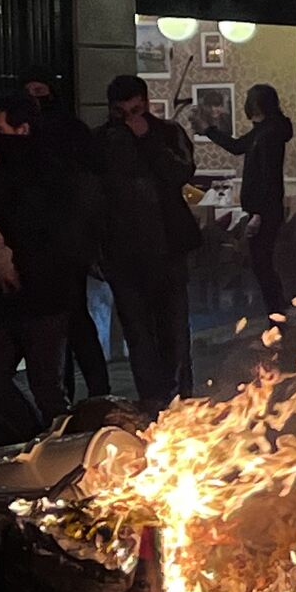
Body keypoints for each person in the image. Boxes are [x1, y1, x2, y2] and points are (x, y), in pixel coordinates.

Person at [93, 76, 200, 411]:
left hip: (167, 247)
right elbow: (94, 197)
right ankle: (153, 403)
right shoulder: (101, 142)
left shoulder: (166, 133)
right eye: (120, 112)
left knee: (174, 334)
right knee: (138, 337)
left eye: (135, 110)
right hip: (122, 252)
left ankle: (180, 401)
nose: (128, 117)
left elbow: (181, 172)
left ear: (146, 104)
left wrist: (149, 139)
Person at [0, 96, 77, 439]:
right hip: (3, 294)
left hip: (43, 291)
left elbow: (26, 218)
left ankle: (65, 451)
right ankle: (31, 437)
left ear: (22, 130)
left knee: (46, 384)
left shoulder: (44, 168)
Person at [22, 66, 111, 399]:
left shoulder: (62, 134)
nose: (35, 101)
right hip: (55, 240)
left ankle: (85, 391)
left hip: (64, 241)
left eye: (39, 92)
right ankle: (82, 391)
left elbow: (85, 187)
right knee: (69, 320)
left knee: (70, 318)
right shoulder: (63, 133)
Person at [190, 84, 292, 316]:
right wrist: (209, 130)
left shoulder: (267, 133)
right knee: (262, 264)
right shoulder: (268, 130)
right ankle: (277, 313)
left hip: (264, 210)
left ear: (255, 104)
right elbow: (238, 147)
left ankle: (277, 313)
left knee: (262, 264)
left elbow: (268, 177)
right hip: (268, 209)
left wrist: (258, 214)